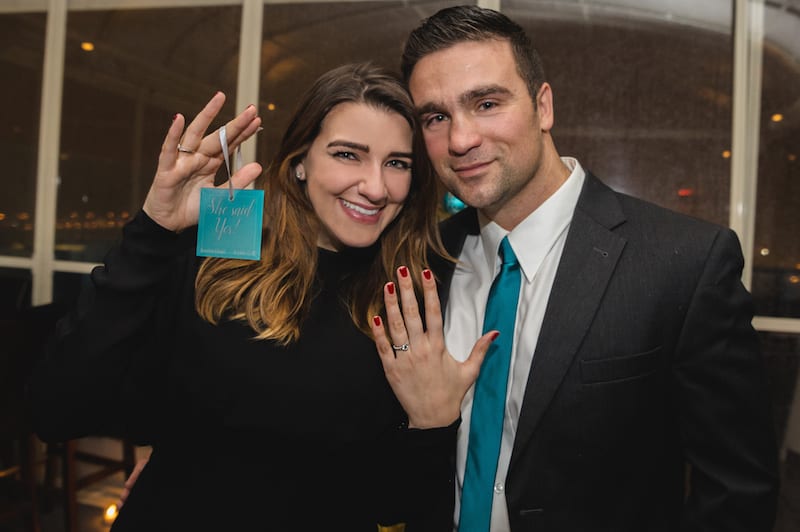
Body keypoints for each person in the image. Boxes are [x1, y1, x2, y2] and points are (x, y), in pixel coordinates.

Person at [29, 62, 492, 531]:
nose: (375, 187)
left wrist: (432, 424)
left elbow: (395, 506)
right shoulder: (218, 260)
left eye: (397, 163)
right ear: (299, 162)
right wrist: (153, 230)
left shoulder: (409, 300)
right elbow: (58, 409)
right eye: (348, 154)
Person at [381, 5, 780, 531]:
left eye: (486, 102)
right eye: (435, 117)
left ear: (543, 106)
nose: (460, 140)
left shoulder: (682, 262)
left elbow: (736, 493)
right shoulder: (423, 260)